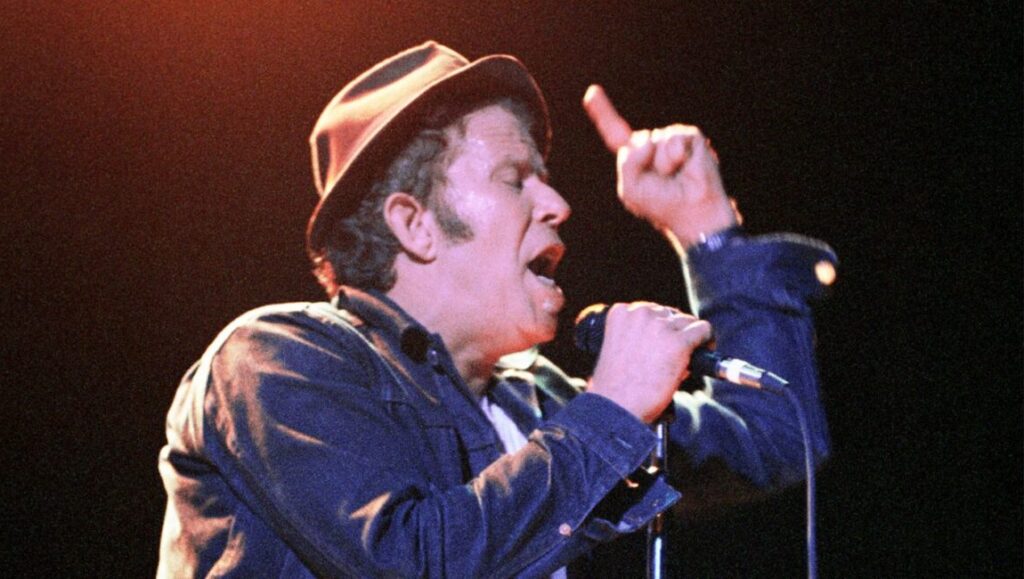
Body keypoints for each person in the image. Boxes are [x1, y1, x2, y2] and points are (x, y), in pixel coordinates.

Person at [157, 41, 836, 577]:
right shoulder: (277, 361)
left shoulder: (531, 401)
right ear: (414, 223)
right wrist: (609, 413)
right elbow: (410, 561)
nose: (558, 204)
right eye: (517, 178)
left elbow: (775, 433)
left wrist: (705, 230)